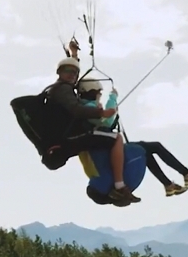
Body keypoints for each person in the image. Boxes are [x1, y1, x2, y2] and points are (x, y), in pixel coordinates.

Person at [44, 42, 139, 205]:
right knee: (116, 138)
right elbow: (76, 109)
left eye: (74, 72)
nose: (72, 74)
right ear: (59, 72)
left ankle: (116, 184)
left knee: (108, 138)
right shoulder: (62, 89)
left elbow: (73, 75)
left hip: (66, 137)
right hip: (69, 138)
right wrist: (101, 113)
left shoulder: (64, 87)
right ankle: (119, 185)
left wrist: (74, 55)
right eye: (68, 71)